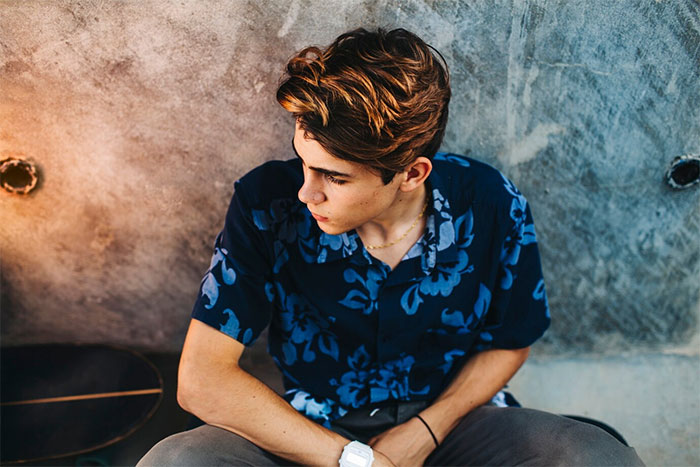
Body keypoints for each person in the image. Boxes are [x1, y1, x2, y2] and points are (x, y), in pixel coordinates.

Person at [138, 28, 644, 466]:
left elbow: (511, 340)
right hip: (308, 432)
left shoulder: (491, 203)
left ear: (411, 173)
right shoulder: (265, 204)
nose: (305, 191)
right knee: (176, 460)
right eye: (304, 162)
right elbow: (202, 379)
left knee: (598, 456)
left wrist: (424, 433)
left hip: (450, 426)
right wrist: (353, 459)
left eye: (333, 177)